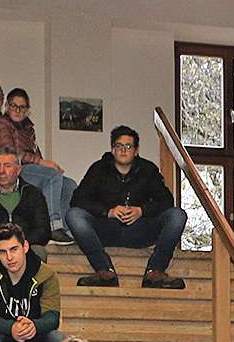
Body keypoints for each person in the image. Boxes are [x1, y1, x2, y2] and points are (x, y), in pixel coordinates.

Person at [67, 124, 188, 289]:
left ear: (136, 150)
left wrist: (141, 210)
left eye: (128, 146)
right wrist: (107, 212)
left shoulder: (148, 170)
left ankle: (155, 271)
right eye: (119, 146)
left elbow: (166, 201)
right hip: (105, 229)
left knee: (177, 215)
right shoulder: (98, 169)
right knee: (74, 215)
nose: (123, 150)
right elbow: (78, 199)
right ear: (112, 149)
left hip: (140, 230)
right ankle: (104, 270)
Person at [0, 89, 74, 241]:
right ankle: (53, 226)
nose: (18, 111)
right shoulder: (1, 124)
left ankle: (66, 228)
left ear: (27, 110)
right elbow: (8, 153)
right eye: (14, 106)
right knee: (52, 176)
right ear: (7, 105)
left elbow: (37, 154)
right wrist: (42, 163)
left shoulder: (28, 129)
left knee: (69, 184)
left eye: (23, 107)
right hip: (11, 168)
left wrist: (48, 166)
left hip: (29, 167)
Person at [0, 149, 51, 258]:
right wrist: (1, 243)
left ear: (18, 170)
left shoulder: (33, 194)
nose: (1, 171)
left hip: (25, 245)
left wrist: (18, 244)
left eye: (7, 166)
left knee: (39, 251)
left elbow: (43, 230)